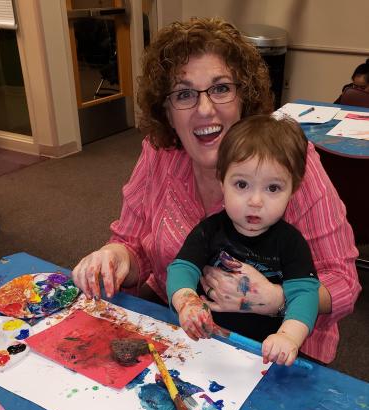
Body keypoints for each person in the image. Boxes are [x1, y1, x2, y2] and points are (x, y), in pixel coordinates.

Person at [72, 17, 361, 364]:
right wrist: (115, 256)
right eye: (184, 94)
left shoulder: (286, 163)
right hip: (181, 331)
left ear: (243, 96)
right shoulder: (159, 153)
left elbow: (344, 282)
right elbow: (133, 244)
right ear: (167, 111)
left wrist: (277, 299)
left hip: (273, 349)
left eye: (221, 88)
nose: (205, 108)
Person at [166, 114, 319, 366]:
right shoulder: (209, 230)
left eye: (272, 188)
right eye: (241, 184)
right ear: (222, 181)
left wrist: (288, 337)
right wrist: (186, 301)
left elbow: (305, 294)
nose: (255, 201)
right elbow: (182, 268)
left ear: (294, 189)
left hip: (263, 354)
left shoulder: (291, 242)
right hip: (209, 343)